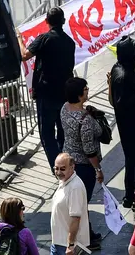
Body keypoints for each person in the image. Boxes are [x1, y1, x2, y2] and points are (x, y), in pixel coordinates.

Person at [23, 6, 77, 167]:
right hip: (64, 94)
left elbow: (24, 55)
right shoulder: (69, 42)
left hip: (46, 94)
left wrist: (19, 39)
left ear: (46, 21)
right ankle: (66, 165)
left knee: (47, 134)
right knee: (62, 133)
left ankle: (59, 168)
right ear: (64, 21)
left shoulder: (44, 39)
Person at [108, 36, 135, 207]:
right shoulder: (122, 75)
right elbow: (121, 104)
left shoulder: (123, 68)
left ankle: (131, 195)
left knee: (133, 160)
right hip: (132, 127)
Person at [60, 77, 102, 243]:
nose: (87, 90)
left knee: (74, 202)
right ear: (79, 96)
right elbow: (89, 150)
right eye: (85, 89)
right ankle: (85, 238)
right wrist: (98, 170)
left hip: (68, 161)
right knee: (82, 205)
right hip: (83, 167)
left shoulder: (65, 108)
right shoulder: (84, 121)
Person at [49, 155, 89, 255]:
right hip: (58, 242)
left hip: (67, 246)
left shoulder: (75, 188)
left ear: (72, 167)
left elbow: (76, 218)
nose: (58, 172)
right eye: (56, 168)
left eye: (62, 169)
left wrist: (70, 245)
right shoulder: (64, 181)